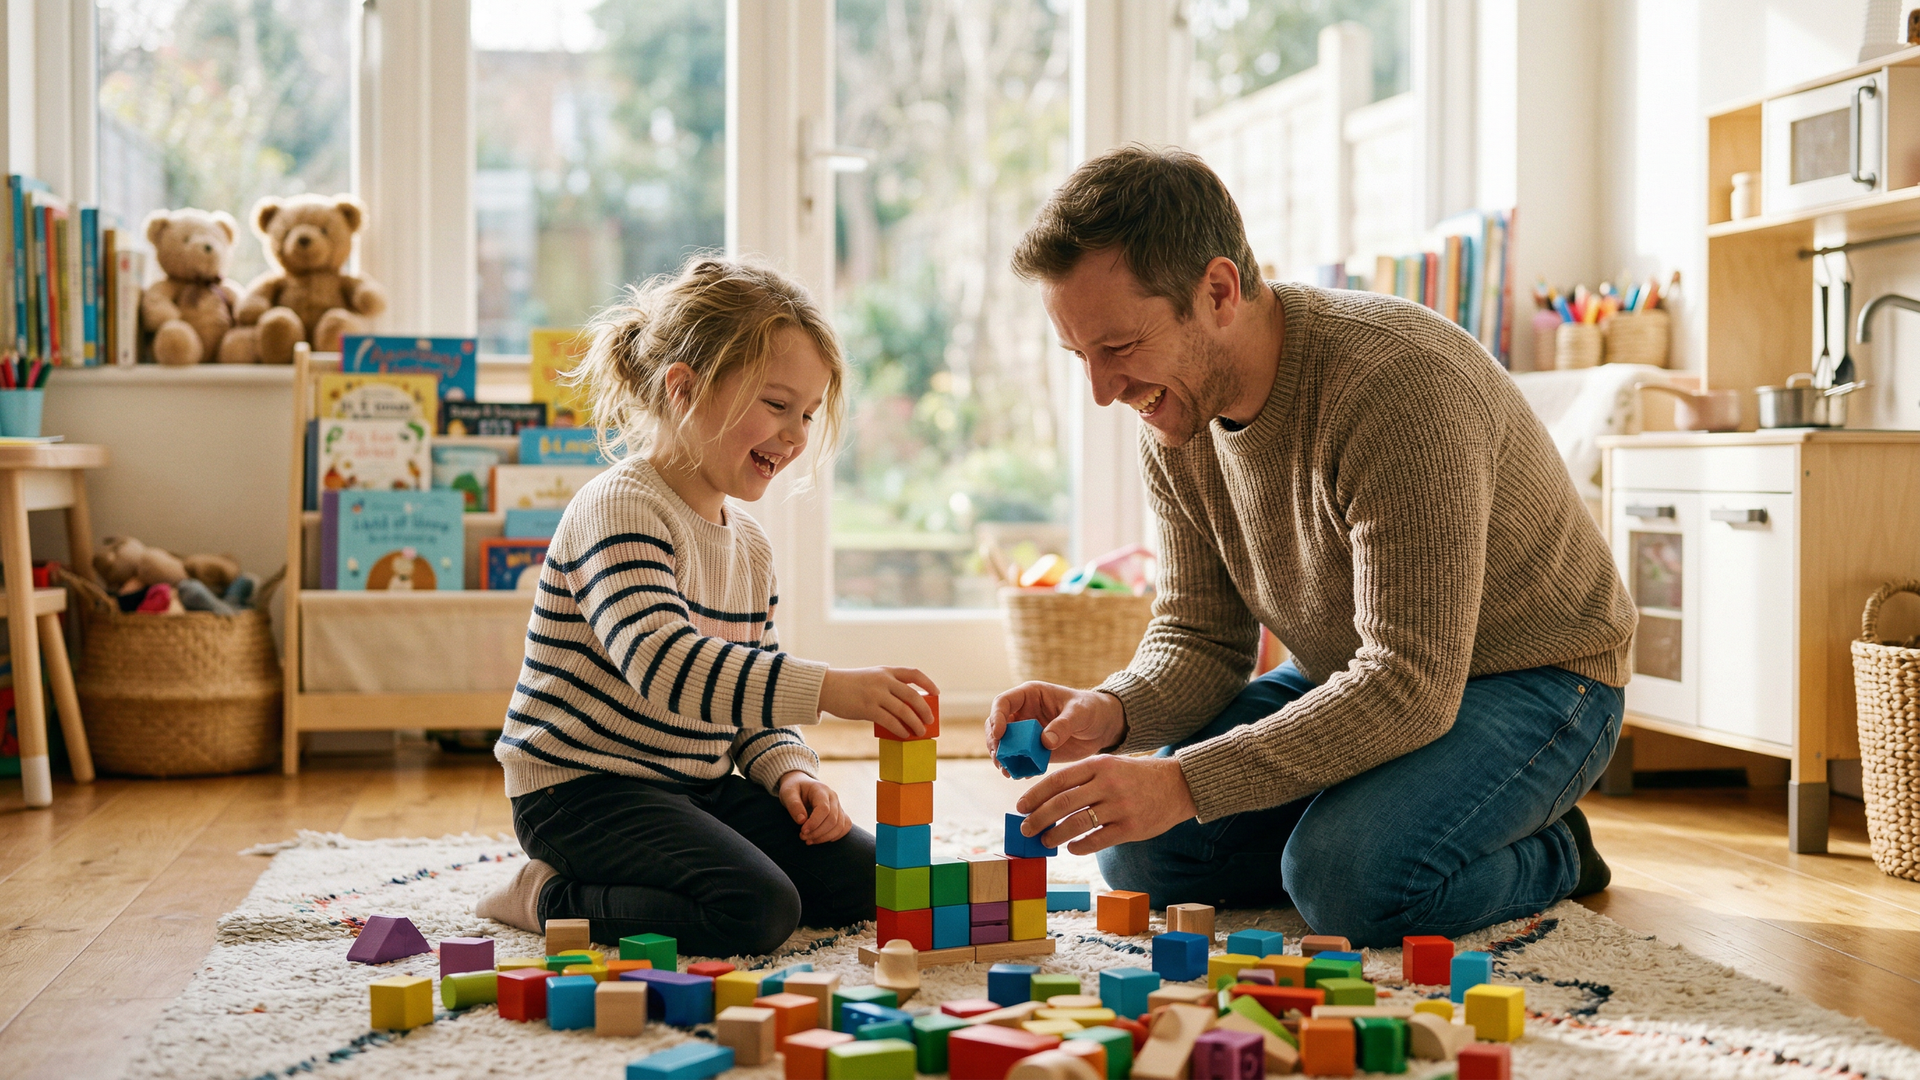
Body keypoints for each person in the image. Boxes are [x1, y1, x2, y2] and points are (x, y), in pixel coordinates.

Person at [988, 146, 1637, 947]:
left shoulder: (1397, 384)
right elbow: (1200, 635)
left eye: (1117, 349)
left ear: (1218, 292)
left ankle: (1556, 852)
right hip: (1357, 673)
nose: (1101, 390)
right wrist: (1112, 711)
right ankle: (1395, 825)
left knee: (1345, 881)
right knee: (1139, 850)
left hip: (1540, 683)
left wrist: (1189, 780)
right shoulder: (1175, 419)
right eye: (1079, 355)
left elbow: (1410, 681)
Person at [477, 257, 938, 956]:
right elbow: (667, 665)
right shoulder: (621, 507)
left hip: (693, 783)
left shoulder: (747, 544)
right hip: (581, 791)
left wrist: (791, 772)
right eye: (777, 405)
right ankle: (547, 896)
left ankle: (691, 858)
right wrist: (834, 690)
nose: (794, 435)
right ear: (684, 388)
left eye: (808, 415)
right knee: (755, 910)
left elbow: (750, 682)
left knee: (875, 878)